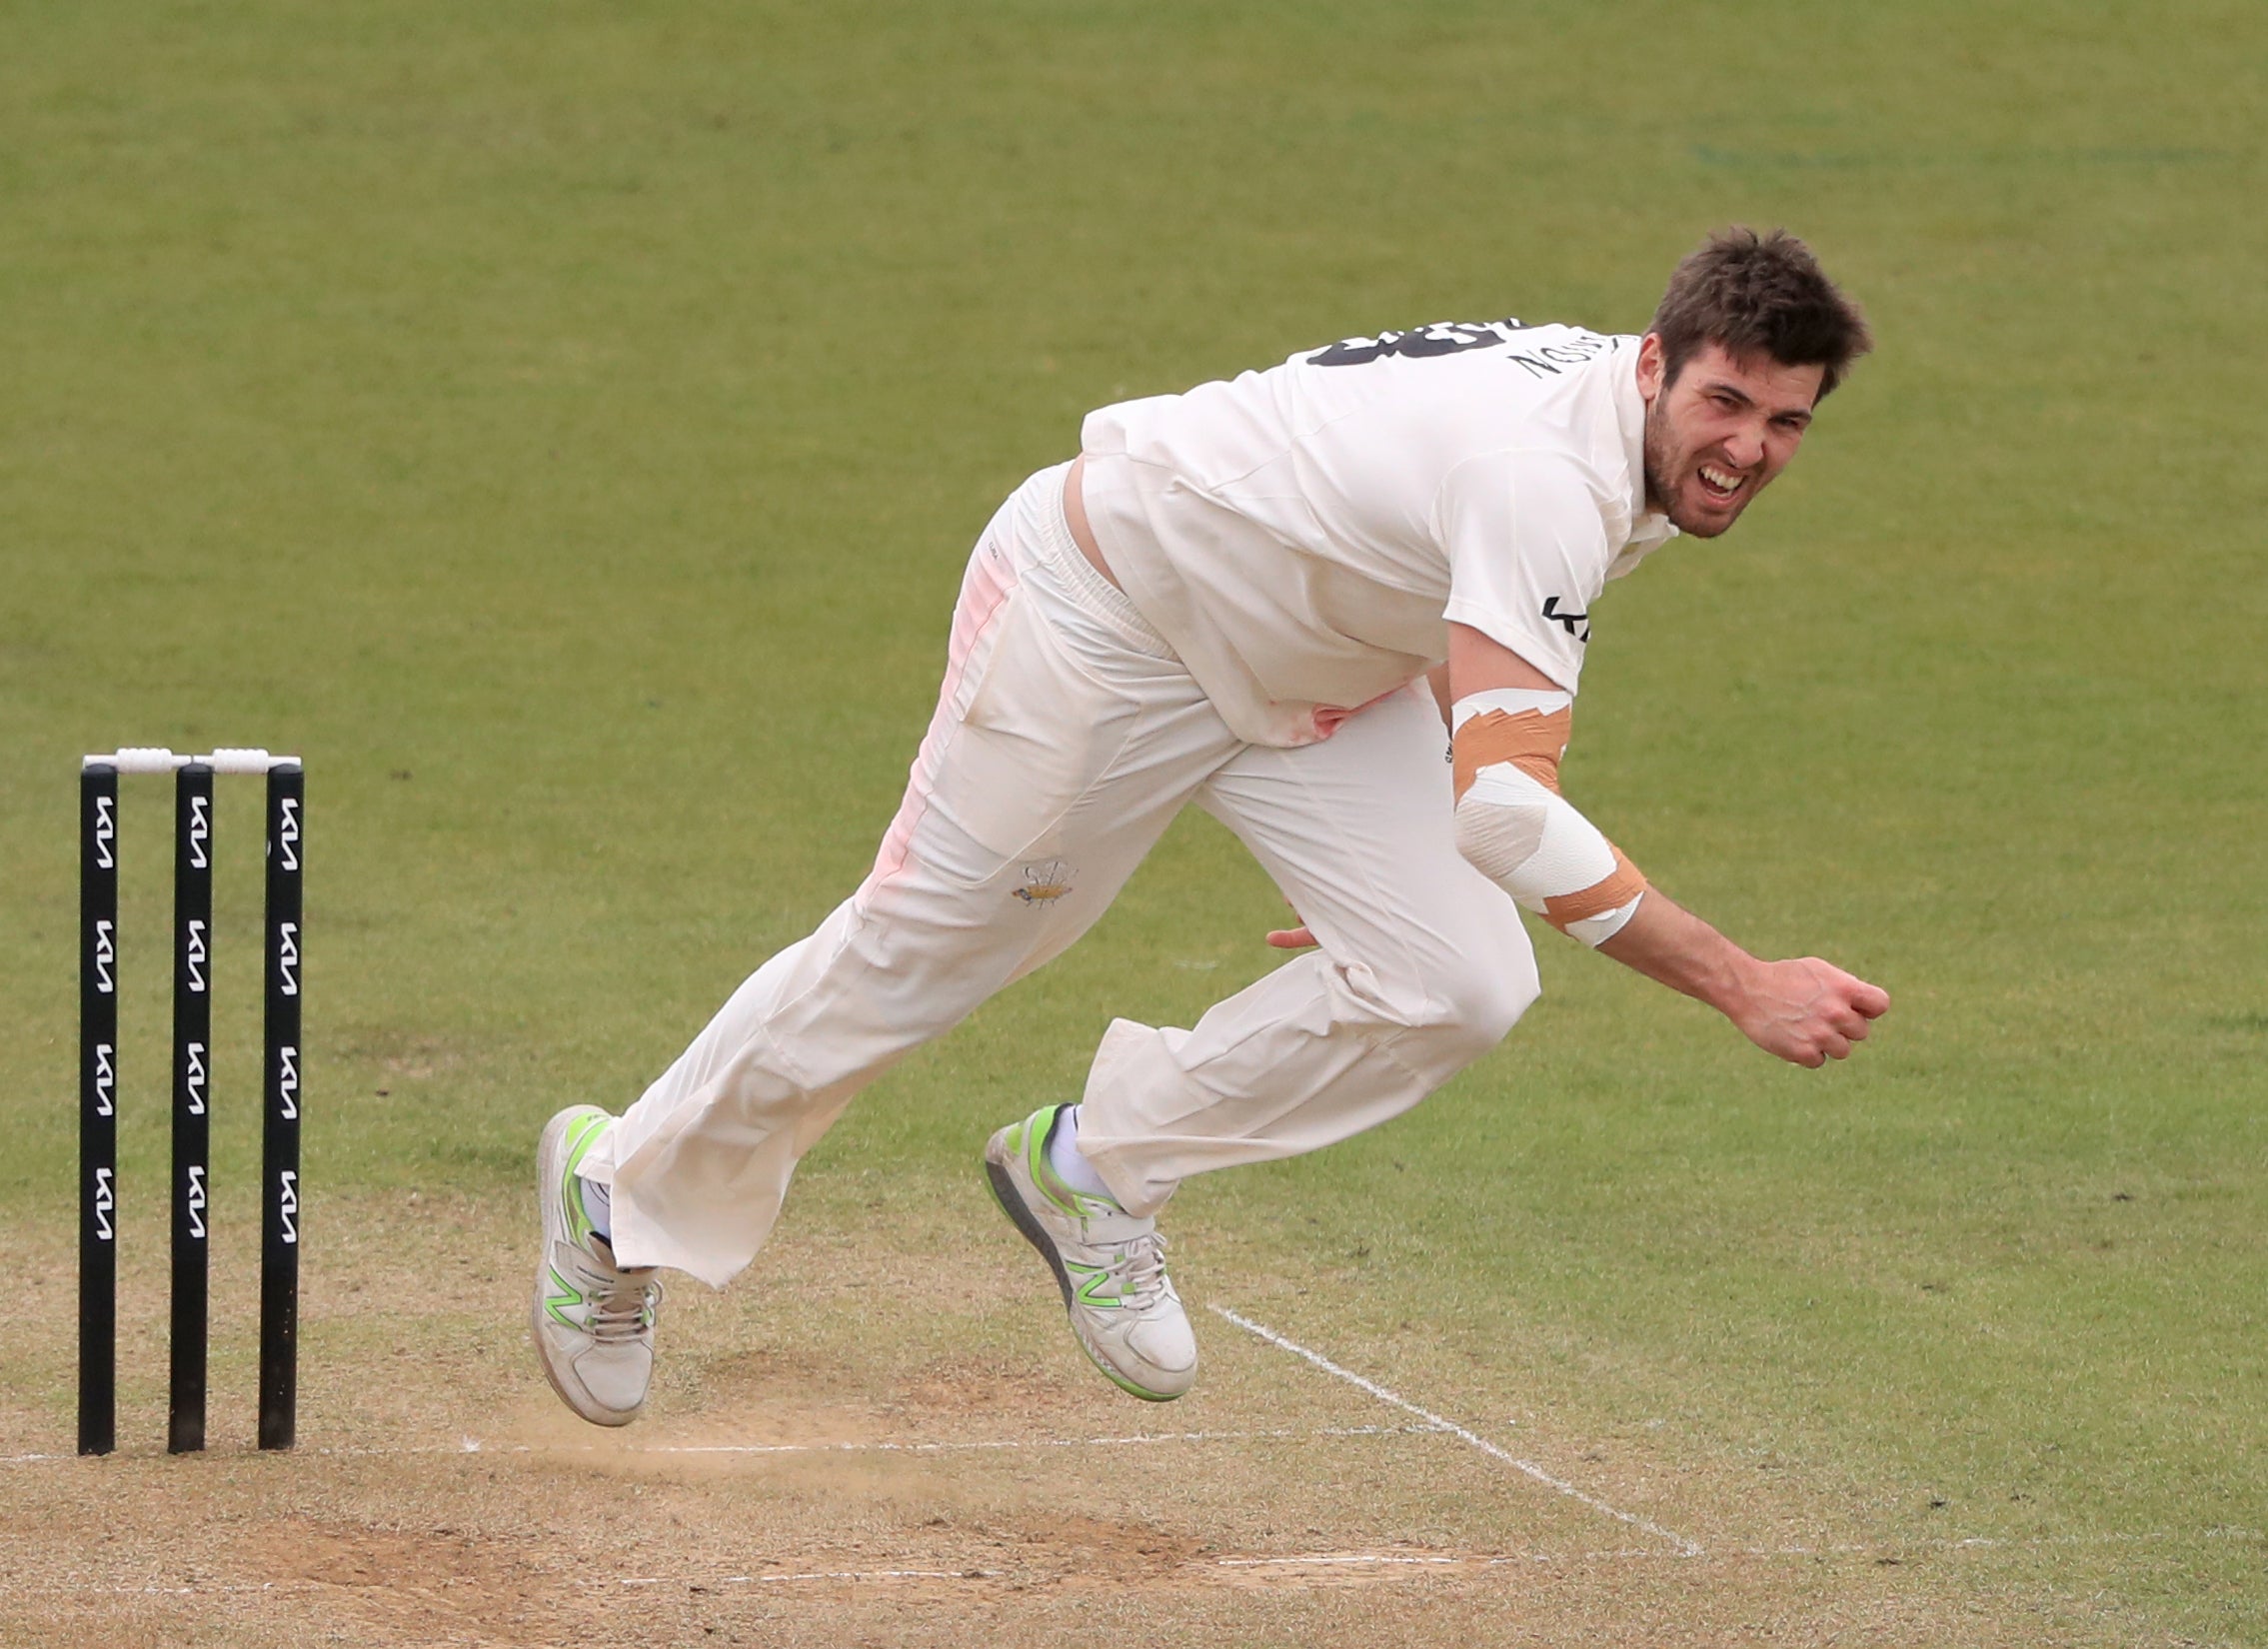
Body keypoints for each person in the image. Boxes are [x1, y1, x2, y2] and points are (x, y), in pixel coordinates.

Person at [531, 226, 1891, 1424]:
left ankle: (1094, 1170)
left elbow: (1436, 602)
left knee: (1455, 976)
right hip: (1109, 621)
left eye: (1785, 424)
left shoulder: (1626, 441)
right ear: (1654, 363)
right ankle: (616, 1198)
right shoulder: (1547, 474)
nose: (1746, 450)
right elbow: (1508, 810)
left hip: (1306, 672)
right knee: (918, 961)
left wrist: (1386, 849)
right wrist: (1738, 982)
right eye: (1727, 404)